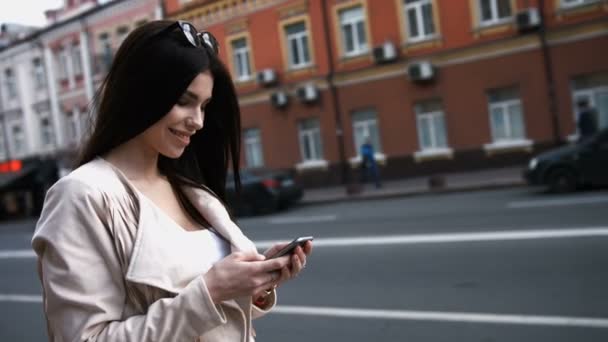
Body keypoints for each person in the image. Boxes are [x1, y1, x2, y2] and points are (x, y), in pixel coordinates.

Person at [31, 20, 312, 342]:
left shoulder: (191, 191)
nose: (198, 121)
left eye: (204, 106)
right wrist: (212, 291)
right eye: (184, 101)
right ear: (139, 93)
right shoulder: (82, 195)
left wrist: (256, 282)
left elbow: (212, 317)